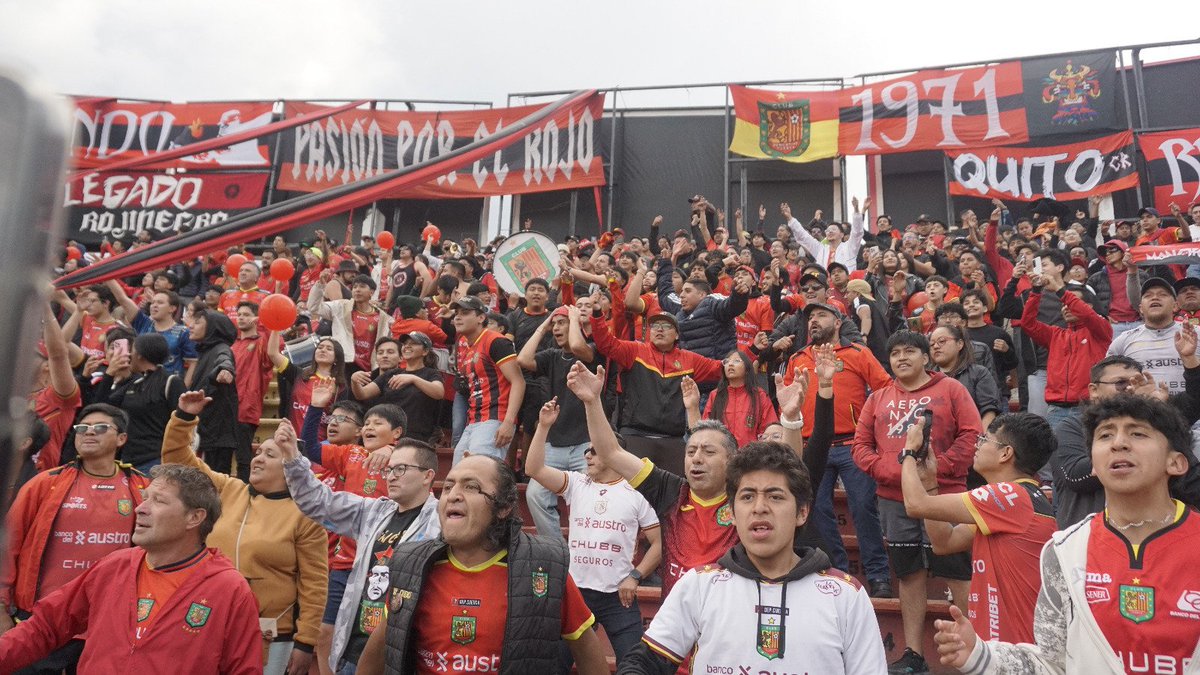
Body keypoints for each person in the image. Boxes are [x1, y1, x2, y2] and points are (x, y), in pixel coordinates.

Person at [934, 396, 1200, 674]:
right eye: (1105, 435)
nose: (1118, 443)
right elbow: (1054, 662)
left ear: (1177, 463)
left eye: (1138, 433)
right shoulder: (1065, 550)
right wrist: (980, 654)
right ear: (1094, 465)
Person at [618, 442, 886, 674]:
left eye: (775, 496)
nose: (759, 508)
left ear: (802, 513)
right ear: (732, 513)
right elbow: (644, 663)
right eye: (747, 497)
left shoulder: (845, 595)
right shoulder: (699, 586)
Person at [354, 453, 609, 675]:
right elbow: (376, 655)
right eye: (448, 486)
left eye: (471, 487)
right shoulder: (411, 565)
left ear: (504, 507)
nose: (453, 496)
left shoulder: (542, 569)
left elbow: (586, 649)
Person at [0, 464, 262, 673]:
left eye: (158, 501)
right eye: (145, 498)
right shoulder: (114, 566)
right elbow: (45, 627)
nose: (140, 508)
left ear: (195, 517)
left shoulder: (229, 589)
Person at [163, 391, 329, 675]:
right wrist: (185, 417)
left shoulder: (305, 515)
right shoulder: (228, 489)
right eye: (258, 452)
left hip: (271, 636)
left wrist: (305, 643)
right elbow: (178, 462)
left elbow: (314, 586)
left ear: (290, 465)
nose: (258, 459)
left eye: (270, 454)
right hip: (207, 622)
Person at [852, 330, 982, 675]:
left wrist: (940, 470)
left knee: (957, 571)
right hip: (895, 499)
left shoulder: (952, 390)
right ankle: (913, 653)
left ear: (926, 357)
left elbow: (971, 434)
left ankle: (978, 647)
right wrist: (892, 471)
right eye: (895, 353)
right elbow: (861, 446)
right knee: (909, 574)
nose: (901, 358)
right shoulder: (877, 397)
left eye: (910, 351)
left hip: (948, 495)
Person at [276, 418, 441, 674]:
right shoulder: (375, 511)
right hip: (355, 651)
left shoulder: (442, 520)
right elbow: (318, 501)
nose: (391, 476)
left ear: (427, 476)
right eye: (390, 469)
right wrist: (292, 457)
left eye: (401, 469)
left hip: (403, 654)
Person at [0, 404, 150, 673]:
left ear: (122, 439)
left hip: (108, 623)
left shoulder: (142, 488)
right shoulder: (45, 484)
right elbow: (6, 547)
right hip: (40, 622)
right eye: (82, 428)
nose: (89, 433)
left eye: (100, 428)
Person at [526, 397, 662, 667]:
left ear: (614, 454)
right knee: (552, 666)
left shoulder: (637, 492)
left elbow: (659, 543)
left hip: (618, 596)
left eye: (595, 450)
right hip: (576, 592)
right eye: (587, 450)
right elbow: (533, 469)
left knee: (635, 667)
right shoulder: (577, 483)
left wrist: (635, 577)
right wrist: (543, 427)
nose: (587, 455)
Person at [900, 413, 1057, 644]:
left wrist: (909, 452)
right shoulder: (1017, 499)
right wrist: (929, 482)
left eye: (985, 440)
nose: (978, 444)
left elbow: (915, 504)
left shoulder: (1008, 495)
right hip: (1007, 646)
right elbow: (945, 542)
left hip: (1014, 650)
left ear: (1006, 453)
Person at [782, 302, 893, 598]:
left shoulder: (858, 353)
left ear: (839, 322)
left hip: (852, 444)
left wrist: (872, 432)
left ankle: (878, 574)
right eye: (810, 317)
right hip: (811, 446)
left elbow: (885, 391)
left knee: (863, 508)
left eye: (821, 315)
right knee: (815, 510)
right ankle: (837, 570)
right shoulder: (798, 358)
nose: (813, 321)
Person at [589, 308, 722, 476]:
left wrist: (752, 351)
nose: (659, 329)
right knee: (632, 493)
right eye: (655, 325)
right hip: (636, 436)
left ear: (677, 335)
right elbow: (605, 343)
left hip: (674, 440)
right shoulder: (635, 351)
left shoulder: (690, 359)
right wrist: (597, 314)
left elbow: (721, 368)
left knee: (673, 496)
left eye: (666, 326)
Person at [516, 305, 601, 536]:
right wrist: (543, 326)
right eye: (555, 324)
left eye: (561, 323)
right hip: (555, 444)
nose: (556, 328)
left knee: (591, 497)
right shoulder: (552, 356)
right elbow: (523, 359)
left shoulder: (591, 350)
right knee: (534, 494)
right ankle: (556, 548)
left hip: (585, 443)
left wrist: (573, 317)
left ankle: (582, 545)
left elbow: (576, 345)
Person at [1022, 274, 1113, 430]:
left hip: (1088, 407)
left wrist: (1059, 289)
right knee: (1058, 454)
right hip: (1056, 409)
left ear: (1089, 306)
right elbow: (1028, 324)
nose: (1066, 306)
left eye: (1071, 302)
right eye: (1062, 304)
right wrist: (1036, 291)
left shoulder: (1100, 329)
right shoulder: (1055, 334)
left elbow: (1087, 315)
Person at [449, 295, 525, 465]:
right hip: (474, 421)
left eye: (465, 312)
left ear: (481, 317)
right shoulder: (467, 346)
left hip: (495, 419)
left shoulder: (495, 341)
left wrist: (508, 422)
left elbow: (518, 381)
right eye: (456, 313)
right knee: (457, 474)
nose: (458, 317)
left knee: (478, 474)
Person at [98, 333, 186, 473]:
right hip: (128, 461)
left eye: (131, 351)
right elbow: (102, 407)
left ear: (139, 354)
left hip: (157, 461)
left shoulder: (171, 382)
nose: (129, 355)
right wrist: (109, 374)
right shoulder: (136, 383)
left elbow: (182, 423)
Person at [1108, 277, 1200, 397]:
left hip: (1192, 412)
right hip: (1144, 413)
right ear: (1140, 308)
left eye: (1163, 294)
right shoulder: (1123, 341)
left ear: (1175, 306)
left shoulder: (1195, 334)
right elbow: (1108, 380)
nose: (1155, 297)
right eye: (1148, 295)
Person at [231, 301, 289, 482]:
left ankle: (245, 491)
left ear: (256, 318)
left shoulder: (262, 342)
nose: (241, 317)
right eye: (239, 314)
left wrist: (264, 321)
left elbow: (276, 346)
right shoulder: (232, 344)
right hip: (226, 406)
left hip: (246, 407)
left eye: (247, 314)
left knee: (243, 458)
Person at [350, 332, 444, 442]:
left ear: (425, 351)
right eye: (405, 344)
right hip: (388, 436)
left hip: (415, 437)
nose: (407, 346)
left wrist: (414, 379)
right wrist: (354, 381)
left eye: (413, 343)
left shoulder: (431, 374)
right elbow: (362, 394)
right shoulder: (391, 374)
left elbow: (439, 392)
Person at [182, 307, 239, 476]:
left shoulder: (221, 349)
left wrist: (225, 370)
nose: (191, 326)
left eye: (198, 322)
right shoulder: (205, 352)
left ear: (213, 328)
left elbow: (224, 360)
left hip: (217, 436)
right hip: (207, 433)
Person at [107, 280, 197, 376]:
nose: (154, 305)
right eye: (153, 302)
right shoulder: (143, 323)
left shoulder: (183, 332)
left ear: (172, 308)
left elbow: (193, 363)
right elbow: (122, 299)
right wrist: (106, 275)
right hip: (141, 382)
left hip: (168, 385)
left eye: (160, 303)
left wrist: (183, 388)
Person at [309, 273, 394, 374]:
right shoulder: (341, 307)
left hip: (370, 369)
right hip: (345, 364)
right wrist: (320, 286)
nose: (357, 289)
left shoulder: (383, 317)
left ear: (371, 292)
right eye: (354, 287)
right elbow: (314, 308)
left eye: (362, 287)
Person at [697, 349, 777, 448]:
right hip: (721, 456)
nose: (730, 364)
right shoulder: (715, 395)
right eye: (726, 362)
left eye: (736, 361)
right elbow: (706, 428)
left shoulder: (759, 395)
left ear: (747, 369)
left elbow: (769, 429)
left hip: (751, 457)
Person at [929, 325, 1004, 430]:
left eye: (941, 341)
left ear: (959, 344)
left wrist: (980, 440)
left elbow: (989, 410)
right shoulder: (927, 377)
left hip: (972, 437)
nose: (935, 346)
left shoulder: (978, 373)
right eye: (931, 344)